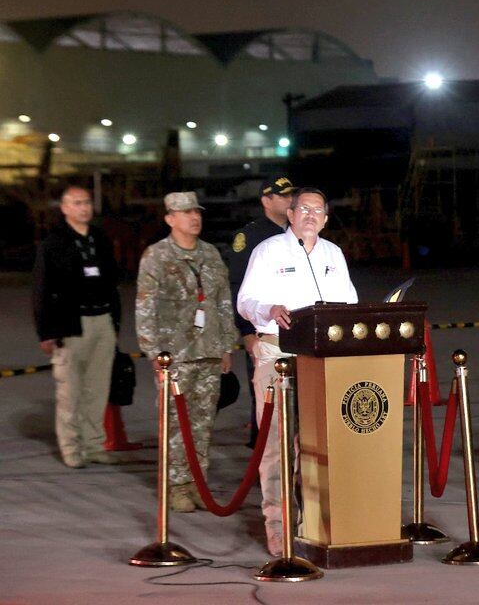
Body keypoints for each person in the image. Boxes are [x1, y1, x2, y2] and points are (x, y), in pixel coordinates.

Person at [237, 187, 358, 555]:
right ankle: (278, 526)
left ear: (326, 218)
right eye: (303, 208)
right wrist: (270, 309)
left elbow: (350, 303)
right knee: (276, 444)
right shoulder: (269, 250)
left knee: (316, 443)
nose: (310, 215)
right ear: (290, 215)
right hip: (278, 351)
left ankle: (313, 523)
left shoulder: (333, 254)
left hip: (320, 357)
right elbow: (245, 301)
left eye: (317, 210)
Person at [136, 192, 236, 512]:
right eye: (186, 212)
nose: (194, 218)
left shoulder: (210, 254)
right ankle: (176, 486)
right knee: (176, 424)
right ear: (170, 218)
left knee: (203, 423)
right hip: (175, 353)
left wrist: (226, 345)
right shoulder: (157, 256)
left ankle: (197, 483)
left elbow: (222, 301)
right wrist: (153, 352)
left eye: (197, 212)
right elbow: (145, 307)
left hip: (208, 350)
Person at [32, 186, 121, 468]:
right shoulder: (53, 243)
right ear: (65, 208)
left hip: (102, 320)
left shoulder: (100, 238)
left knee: (97, 389)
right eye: (77, 203)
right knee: (70, 391)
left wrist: (115, 321)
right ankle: (71, 448)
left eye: (87, 203)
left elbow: (113, 283)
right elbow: (41, 289)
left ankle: (93, 444)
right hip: (71, 325)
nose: (84, 208)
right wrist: (46, 332)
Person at [227, 176, 293, 448]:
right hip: (261, 329)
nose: (290, 200)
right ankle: (261, 452)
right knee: (264, 395)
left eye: (291, 195)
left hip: (293, 329)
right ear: (266, 200)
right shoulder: (251, 236)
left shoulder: (297, 233)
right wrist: (246, 332)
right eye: (283, 196)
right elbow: (237, 287)